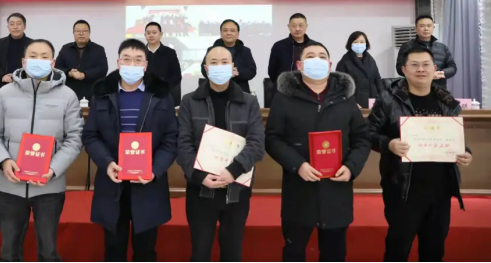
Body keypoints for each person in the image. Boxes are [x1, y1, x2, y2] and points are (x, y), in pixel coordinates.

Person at [265, 41, 371, 262]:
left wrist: (351, 167)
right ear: (300, 65)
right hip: (299, 188)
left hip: (336, 189)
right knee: (294, 252)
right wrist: (297, 165)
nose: (317, 60)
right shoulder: (284, 98)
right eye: (310, 56)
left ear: (330, 64)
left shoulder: (346, 98)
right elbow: (273, 139)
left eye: (322, 56)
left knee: (334, 253)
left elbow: (361, 138)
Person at [0, 39, 85, 262]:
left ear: (53, 62)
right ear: (24, 61)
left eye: (44, 57)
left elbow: (75, 138)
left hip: (49, 187)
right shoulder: (5, 93)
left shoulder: (67, 95)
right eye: (33, 56)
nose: (38, 61)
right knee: (8, 251)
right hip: (10, 185)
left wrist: (53, 169)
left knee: (48, 251)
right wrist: (3, 161)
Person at [368, 46, 473, 262]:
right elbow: (368, 133)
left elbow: (454, 137)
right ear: (404, 70)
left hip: (440, 188)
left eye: (426, 65)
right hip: (402, 188)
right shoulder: (388, 99)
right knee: (398, 248)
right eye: (414, 65)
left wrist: (465, 152)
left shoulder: (446, 100)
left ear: (435, 69)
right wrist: (389, 144)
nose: (421, 69)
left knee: (434, 249)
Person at [82, 39, 178, 262]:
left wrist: (154, 170)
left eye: (137, 60)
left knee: (145, 250)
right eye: (127, 59)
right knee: (114, 249)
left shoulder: (161, 96)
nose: (132, 64)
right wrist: (107, 163)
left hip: (148, 184)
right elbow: (91, 135)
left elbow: (171, 139)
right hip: (112, 182)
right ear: (118, 63)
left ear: (145, 65)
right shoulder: (102, 95)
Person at [178, 46, 265, 262]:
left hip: (236, 189)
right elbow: (183, 144)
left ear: (233, 67)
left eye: (224, 62)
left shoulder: (249, 102)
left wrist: (233, 171)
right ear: (206, 68)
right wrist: (199, 176)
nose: (219, 66)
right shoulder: (189, 101)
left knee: (232, 252)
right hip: (200, 190)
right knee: (200, 251)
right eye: (214, 62)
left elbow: (256, 143)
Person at [396, 15, 457, 88]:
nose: (426, 29)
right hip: (414, 87)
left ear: (433, 28)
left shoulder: (442, 47)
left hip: (439, 88)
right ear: (415, 29)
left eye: (429, 26)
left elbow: (452, 67)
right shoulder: (407, 46)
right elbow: (400, 68)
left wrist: (442, 73)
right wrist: (422, 73)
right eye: (422, 26)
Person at [55, 20, 108, 102]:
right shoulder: (65, 49)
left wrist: (84, 74)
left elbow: (103, 69)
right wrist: (69, 73)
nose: (81, 33)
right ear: (73, 33)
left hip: (92, 94)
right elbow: (57, 68)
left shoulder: (98, 49)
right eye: (78, 31)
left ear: (89, 33)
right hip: (69, 94)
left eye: (84, 31)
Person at [201, 19, 257, 93]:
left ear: (238, 34)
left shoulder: (245, 51)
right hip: (215, 89)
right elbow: (204, 69)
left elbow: (252, 71)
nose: (228, 33)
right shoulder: (212, 50)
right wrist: (220, 72)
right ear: (221, 33)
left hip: (240, 90)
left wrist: (237, 73)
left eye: (232, 31)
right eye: (225, 30)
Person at [335, 31, 382, 108]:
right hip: (354, 103)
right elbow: (340, 86)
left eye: (362, 42)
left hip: (372, 101)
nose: (359, 44)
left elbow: (378, 80)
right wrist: (351, 102)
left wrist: (382, 97)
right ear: (350, 44)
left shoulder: (371, 60)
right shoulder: (344, 62)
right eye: (356, 42)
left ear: (366, 43)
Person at [0, 13, 33, 92]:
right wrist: (2, 75)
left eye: (18, 24)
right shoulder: (0, 43)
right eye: (12, 24)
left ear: (24, 26)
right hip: (3, 84)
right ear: (8, 27)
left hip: (26, 85)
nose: (15, 27)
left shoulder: (32, 44)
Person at [268, 13, 318, 83]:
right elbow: (272, 71)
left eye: (301, 26)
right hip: (285, 87)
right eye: (294, 26)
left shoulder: (316, 46)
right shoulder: (278, 46)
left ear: (306, 26)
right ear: (289, 27)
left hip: (310, 86)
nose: (297, 29)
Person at [144, 22, 182, 105]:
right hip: (144, 96)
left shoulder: (170, 52)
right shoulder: (139, 53)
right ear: (145, 35)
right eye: (148, 33)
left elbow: (176, 75)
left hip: (166, 95)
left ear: (160, 34)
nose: (151, 35)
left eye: (154, 32)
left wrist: (164, 88)